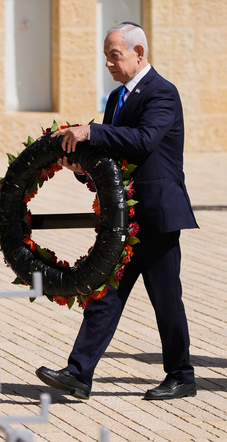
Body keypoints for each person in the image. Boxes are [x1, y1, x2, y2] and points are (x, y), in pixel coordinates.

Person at [36, 22, 199, 401]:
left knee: (165, 298)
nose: (108, 62)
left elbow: (143, 141)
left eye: (115, 55)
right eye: (106, 55)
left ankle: (182, 374)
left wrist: (91, 133)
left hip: (157, 214)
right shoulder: (116, 98)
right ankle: (78, 373)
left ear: (139, 53)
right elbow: (114, 158)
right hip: (124, 215)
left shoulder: (162, 93)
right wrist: (82, 169)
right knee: (106, 292)